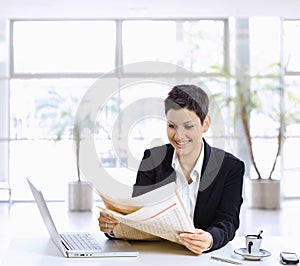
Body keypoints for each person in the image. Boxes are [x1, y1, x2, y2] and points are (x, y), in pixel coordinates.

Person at [98, 84, 245, 254]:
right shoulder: (152, 159)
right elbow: (135, 216)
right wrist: (112, 226)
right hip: (158, 255)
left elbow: (228, 221)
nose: (178, 135)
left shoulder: (230, 167)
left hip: (203, 259)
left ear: (205, 124)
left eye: (188, 126)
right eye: (172, 126)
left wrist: (210, 239)